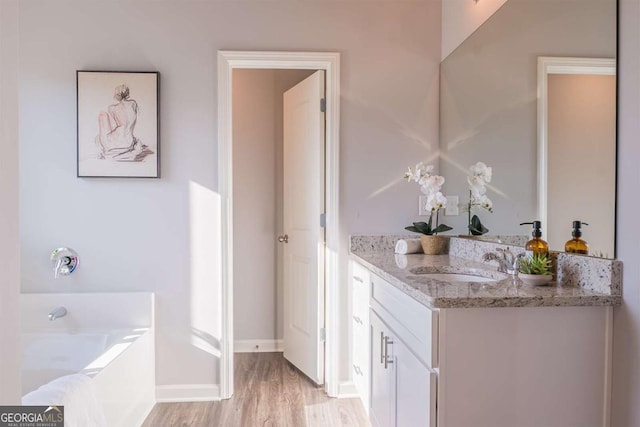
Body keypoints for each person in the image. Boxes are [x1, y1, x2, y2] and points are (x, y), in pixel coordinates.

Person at [95, 84, 147, 160]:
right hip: (129, 142)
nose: (114, 95)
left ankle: (106, 149)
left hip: (117, 143)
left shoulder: (112, 108)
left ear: (118, 95)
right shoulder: (133, 104)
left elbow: (112, 126)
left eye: (115, 93)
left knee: (102, 115)